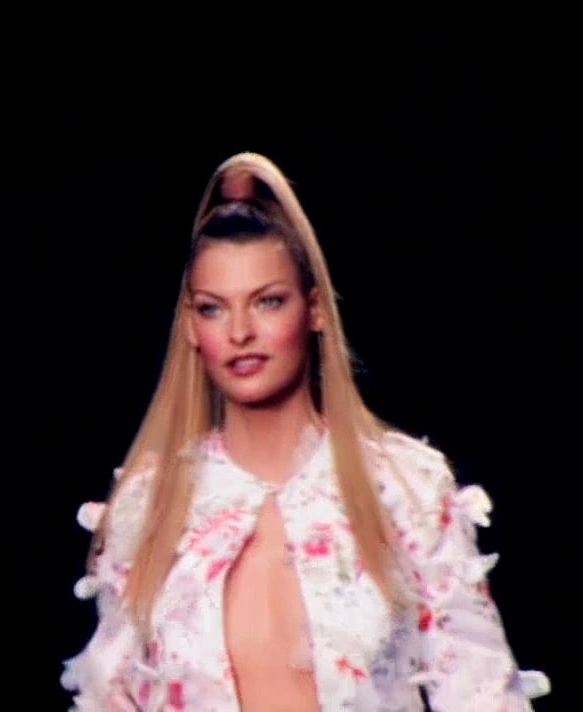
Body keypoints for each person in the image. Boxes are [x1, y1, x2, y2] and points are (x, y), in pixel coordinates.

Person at [61, 152, 550, 711]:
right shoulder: (148, 510)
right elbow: (109, 697)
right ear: (192, 327)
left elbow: (483, 696)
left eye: (268, 302)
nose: (240, 332)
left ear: (314, 309)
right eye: (213, 309)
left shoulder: (404, 490)